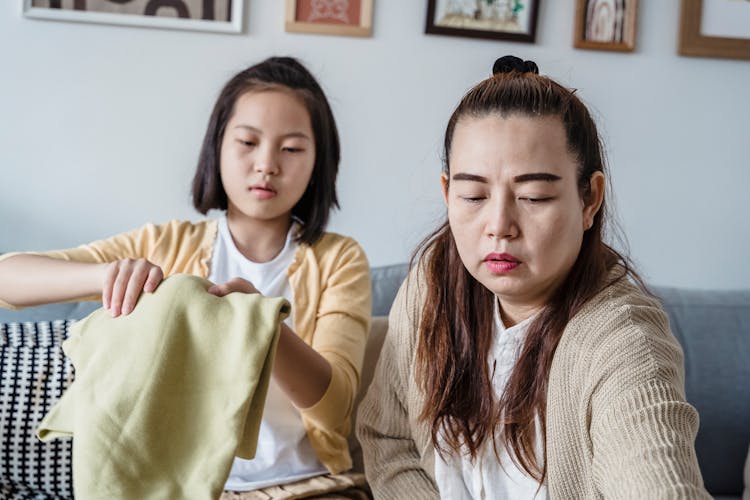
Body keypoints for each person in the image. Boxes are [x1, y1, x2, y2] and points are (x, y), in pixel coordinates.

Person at [0, 56, 372, 497]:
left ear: (318, 163)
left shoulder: (339, 259)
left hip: (306, 485)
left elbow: (335, 409)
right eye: (248, 142)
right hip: (177, 484)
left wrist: (261, 323)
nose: (267, 164)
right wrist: (109, 275)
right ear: (217, 147)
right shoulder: (165, 243)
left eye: (291, 148)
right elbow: (9, 279)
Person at [356, 55, 710, 499]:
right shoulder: (431, 285)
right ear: (447, 194)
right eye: (473, 195)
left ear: (589, 199)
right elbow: (390, 440)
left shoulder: (624, 341)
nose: (499, 224)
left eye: (534, 196)